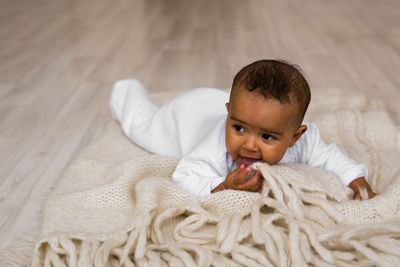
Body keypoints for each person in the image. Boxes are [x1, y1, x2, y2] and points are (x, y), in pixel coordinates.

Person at [109, 59, 376, 200]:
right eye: (238, 128)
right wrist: (224, 185)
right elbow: (186, 176)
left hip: (217, 104)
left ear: (296, 136)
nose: (248, 145)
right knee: (142, 126)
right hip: (184, 117)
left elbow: (331, 158)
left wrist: (357, 182)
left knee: (251, 114)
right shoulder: (213, 146)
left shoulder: (307, 141)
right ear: (229, 114)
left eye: (267, 136)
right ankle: (126, 89)